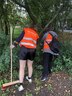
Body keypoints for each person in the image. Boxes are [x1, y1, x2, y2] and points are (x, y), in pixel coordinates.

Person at [10, 24, 39, 91]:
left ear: (29, 27)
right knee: (30, 65)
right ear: (34, 28)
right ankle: (29, 78)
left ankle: (21, 85)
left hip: (24, 50)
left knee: (22, 67)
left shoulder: (26, 30)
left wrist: (14, 45)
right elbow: (35, 44)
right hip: (32, 51)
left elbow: (19, 38)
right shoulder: (36, 34)